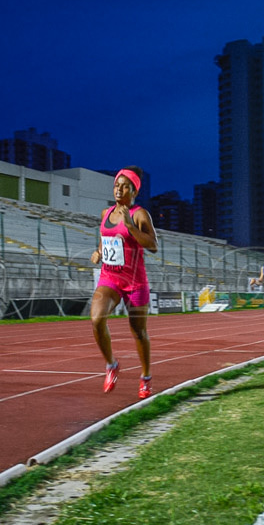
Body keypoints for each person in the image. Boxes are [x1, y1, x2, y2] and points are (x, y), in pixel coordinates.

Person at [89, 166, 158, 399]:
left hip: (135, 282)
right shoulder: (105, 213)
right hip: (110, 278)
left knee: (138, 332)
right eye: (117, 185)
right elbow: (105, 239)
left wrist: (130, 226)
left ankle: (146, 377)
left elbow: (153, 245)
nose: (119, 189)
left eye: (125, 186)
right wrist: (98, 252)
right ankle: (111, 365)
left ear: (134, 191)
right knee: (97, 318)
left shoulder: (140, 214)